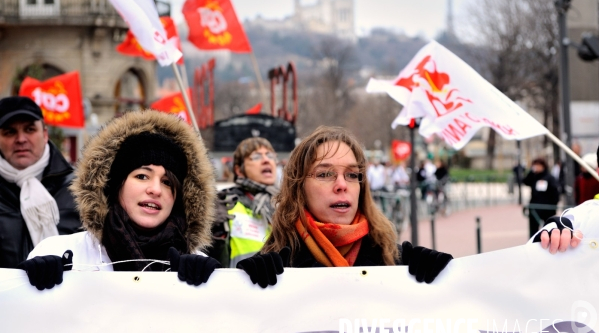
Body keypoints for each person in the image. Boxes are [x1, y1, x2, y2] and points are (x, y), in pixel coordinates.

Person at [19, 110, 239, 290]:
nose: (155, 189)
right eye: (142, 176)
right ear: (116, 186)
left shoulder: (197, 266)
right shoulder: (62, 253)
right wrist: (29, 289)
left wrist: (245, 284)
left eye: (167, 182)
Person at [258, 126, 453, 285]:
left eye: (352, 175)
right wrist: (242, 288)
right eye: (325, 174)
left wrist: (446, 279)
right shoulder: (275, 265)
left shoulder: (393, 259)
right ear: (298, 187)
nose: (342, 185)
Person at [0, 96, 81, 268]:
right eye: (10, 132)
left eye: (29, 129)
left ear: (45, 134)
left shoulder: (80, 189)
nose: (21, 139)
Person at [208, 137, 280, 268]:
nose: (266, 160)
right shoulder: (225, 203)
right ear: (239, 171)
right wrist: (215, 233)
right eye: (256, 157)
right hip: (238, 285)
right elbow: (210, 257)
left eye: (270, 155)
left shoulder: (286, 206)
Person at [523, 157, 560, 238]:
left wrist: (554, 205)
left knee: (548, 229)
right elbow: (525, 181)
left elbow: (555, 192)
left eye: (538, 165)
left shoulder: (549, 178)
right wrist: (531, 172)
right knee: (533, 230)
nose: (537, 167)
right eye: (535, 165)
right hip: (535, 207)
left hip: (547, 208)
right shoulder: (533, 177)